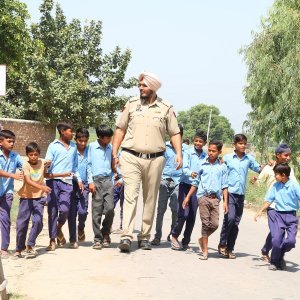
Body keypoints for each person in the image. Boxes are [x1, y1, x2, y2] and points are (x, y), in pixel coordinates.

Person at [112, 71, 182, 253]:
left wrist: (179, 153)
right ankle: (126, 236)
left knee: (150, 199)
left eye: (144, 85)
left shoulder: (166, 107)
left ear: (153, 87)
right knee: (130, 196)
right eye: (139, 85)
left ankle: (144, 237)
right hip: (130, 157)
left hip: (156, 159)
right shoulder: (131, 104)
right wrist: (114, 152)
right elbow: (120, 129)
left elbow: (174, 133)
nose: (140, 88)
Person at [14, 142, 71, 259]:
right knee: (22, 224)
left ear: (39, 154)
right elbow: (28, 180)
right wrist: (42, 187)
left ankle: (30, 245)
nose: (33, 157)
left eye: (36, 154)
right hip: (26, 198)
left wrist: (63, 174)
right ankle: (19, 248)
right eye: (31, 155)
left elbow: (46, 175)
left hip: (39, 198)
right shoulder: (26, 165)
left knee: (38, 222)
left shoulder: (41, 163)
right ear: (27, 155)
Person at [182, 139, 228, 260]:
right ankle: (205, 252)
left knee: (215, 224)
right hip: (203, 197)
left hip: (215, 199)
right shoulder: (202, 164)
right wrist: (187, 197)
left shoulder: (222, 167)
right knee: (205, 224)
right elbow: (196, 182)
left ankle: (202, 239)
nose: (211, 153)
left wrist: (225, 202)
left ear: (219, 152)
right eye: (209, 150)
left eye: (214, 151)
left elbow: (224, 186)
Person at [251, 143, 297, 262]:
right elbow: (259, 183)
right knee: (276, 232)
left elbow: (294, 185)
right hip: (272, 206)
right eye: (286, 155)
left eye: (289, 155)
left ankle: (268, 250)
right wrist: (254, 181)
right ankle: (276, 257)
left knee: (276, 233)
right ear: (278, 155)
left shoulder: (288, 170)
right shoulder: (268, 168)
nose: (288, 158)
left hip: (286, 208)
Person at [218, 133, 262, 259]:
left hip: (240, 195)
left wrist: (268, 167)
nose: (243, 146)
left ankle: (230, 248)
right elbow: (219, 171)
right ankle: (222, 243)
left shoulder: (249, 159)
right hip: (229, 193)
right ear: (234, 145)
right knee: (230, 218)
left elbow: (259, 169)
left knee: (236, 223)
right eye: (240, 143)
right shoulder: (227, 158)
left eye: (244, 144)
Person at [255, 163, 300, 270]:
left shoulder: (294, 186)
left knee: (291, 241)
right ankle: (274, 262)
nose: (275, 177)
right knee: (276, 240)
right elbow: (269, 200)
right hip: (278, 216)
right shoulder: (275, 186)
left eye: (276, 175)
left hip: (291, 217)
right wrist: (260, 211)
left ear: (283, 175)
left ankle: (280, 253)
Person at [45, 121, 82, 251]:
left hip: (67, 182)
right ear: (62, 131)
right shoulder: (53, 146)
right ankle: (52, 240)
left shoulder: (73, 146)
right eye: (70, 131)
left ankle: (58, 227)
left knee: (65, 210)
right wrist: (46, 164)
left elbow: (75, 166)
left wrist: (79, 179)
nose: (72, 134)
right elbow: (48, 162)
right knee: (53, 211)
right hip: (53, 181)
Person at [170, 129, 207, 251]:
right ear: (193, 141)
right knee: (183, 213)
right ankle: (174, 236)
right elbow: (184, 168)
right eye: (196, 141)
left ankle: (186, 241)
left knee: (192, 216)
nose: (198, 143)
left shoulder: (206, 156)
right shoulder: (188, 153)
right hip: (185, 185)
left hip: (197, 189)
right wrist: (191, 173)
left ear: (204, 143)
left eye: (200, 141)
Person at [151, 124, 186, 246]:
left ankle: (172, 234)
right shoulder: (164, 147)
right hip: (164, 180)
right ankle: (157, 235)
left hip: (177, 182)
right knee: (161, 210)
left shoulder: (185, 149)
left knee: (175, 210)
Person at [87, 125, 114, 250]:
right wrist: (90, 181)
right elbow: (88, 165)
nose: (109, 140)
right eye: (107, 138)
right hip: (96, 181)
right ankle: (97, 238)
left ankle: (105, 232)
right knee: (96, 211)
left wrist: (116, 178)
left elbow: (114, 163)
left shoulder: (111, 147)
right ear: (100, 137)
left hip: (108, 180)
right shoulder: (92, 147)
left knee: (110, 209)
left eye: (110, 137)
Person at [0, 130, 23, 259]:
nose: (12, 143)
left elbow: (24, 167)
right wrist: (13, 175)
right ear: (0, 142)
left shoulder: (15, 156)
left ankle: (4, 248)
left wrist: (40, 165)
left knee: (5, 220)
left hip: (7, 192)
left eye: (13, 141)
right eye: (9, 141)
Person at [68, 128, 90, 249]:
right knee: (72, 213)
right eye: (80, 140)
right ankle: (72, 239)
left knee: (82, 211)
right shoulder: (71, 150)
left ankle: (81, 227)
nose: (82, 143)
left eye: (85, 141)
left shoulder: (89, 150)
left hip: (85, 184)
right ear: (76, 140)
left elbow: (90, 166)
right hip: (71, 183)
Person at [112, 159, 124, 234]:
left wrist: (122, 180)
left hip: (126, 181)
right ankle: (108, 225)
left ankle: (123, 226)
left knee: (124, 206)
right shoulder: (115, 152)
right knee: (110, 205)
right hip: (115, 181)